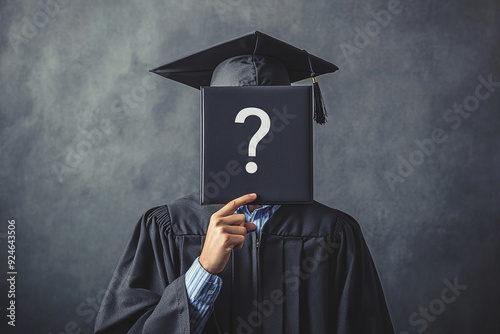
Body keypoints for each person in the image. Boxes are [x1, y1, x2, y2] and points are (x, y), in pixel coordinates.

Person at [95, 31, 395, 334]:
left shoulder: (333, 234)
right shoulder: (168, 228)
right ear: (215, 125)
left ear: (290, 123)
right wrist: (203, 269)